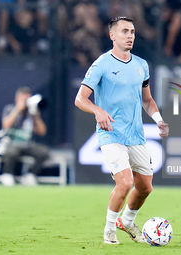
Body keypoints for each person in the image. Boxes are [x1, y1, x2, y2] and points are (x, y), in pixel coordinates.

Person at [75, 16, 169, 244]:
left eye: (133, 32)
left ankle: (127, 220)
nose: (130, 36)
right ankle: (109, 229)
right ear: (112, 35)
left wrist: (158, 119)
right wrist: (98, 111)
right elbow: (80, 99)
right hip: (111, 134)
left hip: (135, 135)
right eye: (125, 31)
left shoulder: (141, 65)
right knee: (125, 183)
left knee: (145, 187)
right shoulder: (101, 64)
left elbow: (147, 100)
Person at [0, 86, 49, 186]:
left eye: (27, 99)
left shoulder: (32, 112)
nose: (26, 102)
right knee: (11, 152)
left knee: (43, 152)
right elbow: (6, 125)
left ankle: (30, 175)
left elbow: (42, 132)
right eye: (24, 99)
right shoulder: (10, 109)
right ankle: (7, 175)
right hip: (12, 142)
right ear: (17, 99)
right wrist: (18, 109)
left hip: (28, 144)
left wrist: (36, 116)